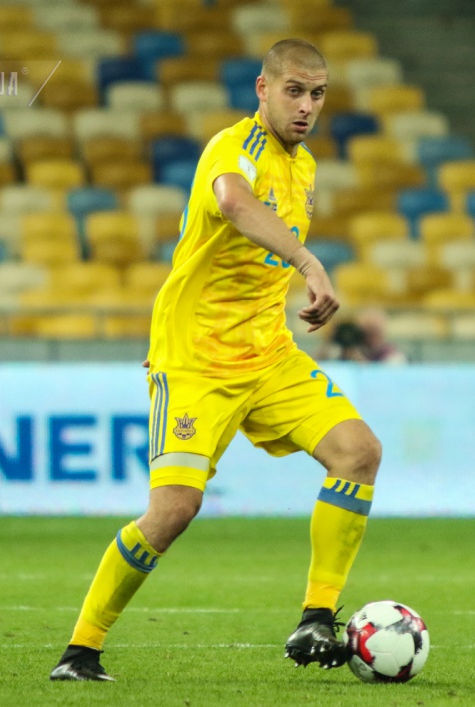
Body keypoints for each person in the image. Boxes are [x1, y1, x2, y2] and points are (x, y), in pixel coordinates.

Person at [49, 39, 382, 682]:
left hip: (268, 354)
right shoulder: (234, 147)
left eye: (317, 94)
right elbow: (233, 202)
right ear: (263, 89)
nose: (306, 106)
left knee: (358, 452)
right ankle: (80, 651)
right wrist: (308, 262)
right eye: (293, 91)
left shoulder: (305, 166)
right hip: (196, 359)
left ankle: (317, 617)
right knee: (174, 509)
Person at [315, 308, 408, 364]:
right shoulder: (341, 351)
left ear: (382, 332)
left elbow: (389, 377)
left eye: (374, 331)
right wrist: (330, 340)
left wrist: (361, 362)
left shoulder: (392, 355)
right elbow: (316, 364)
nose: (370, 336)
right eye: (367, 331)